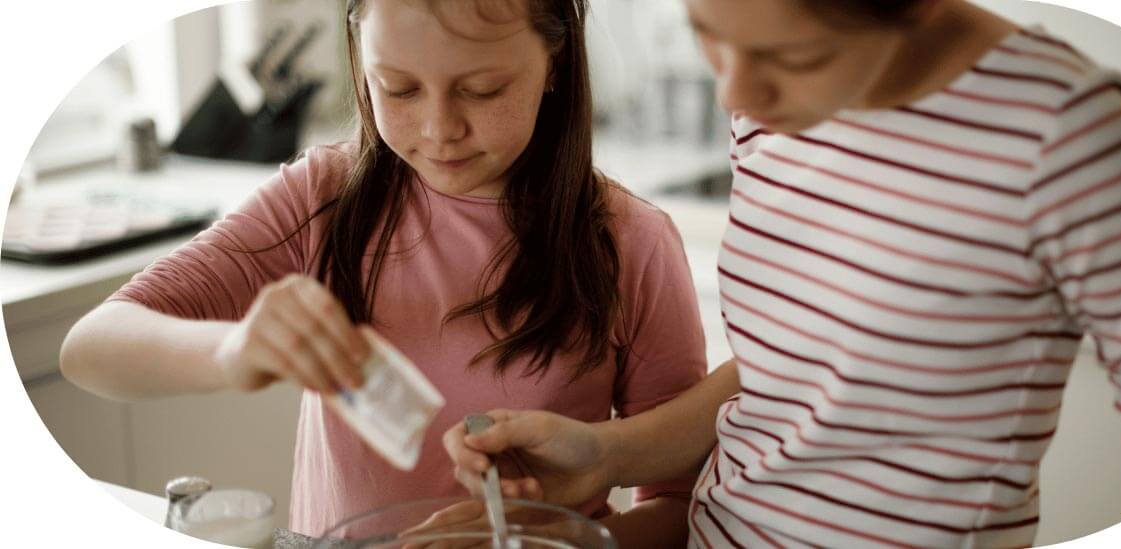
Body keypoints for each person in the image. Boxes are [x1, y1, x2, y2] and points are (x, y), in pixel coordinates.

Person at [443, 0, 1121, 547]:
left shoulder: (1063, 133)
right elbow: (790, 380)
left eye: (794, 56)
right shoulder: (765, 101)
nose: (737, 88)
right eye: (707, 28)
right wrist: (607, 455)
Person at [58, 0, 706, 544]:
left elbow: (685, 509)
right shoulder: (321, 198)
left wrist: (559, 537)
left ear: (555, 63)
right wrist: (231, 349)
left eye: (482, 89)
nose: (438, 128)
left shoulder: (631, 243)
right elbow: (90, 347)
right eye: (397, 86)